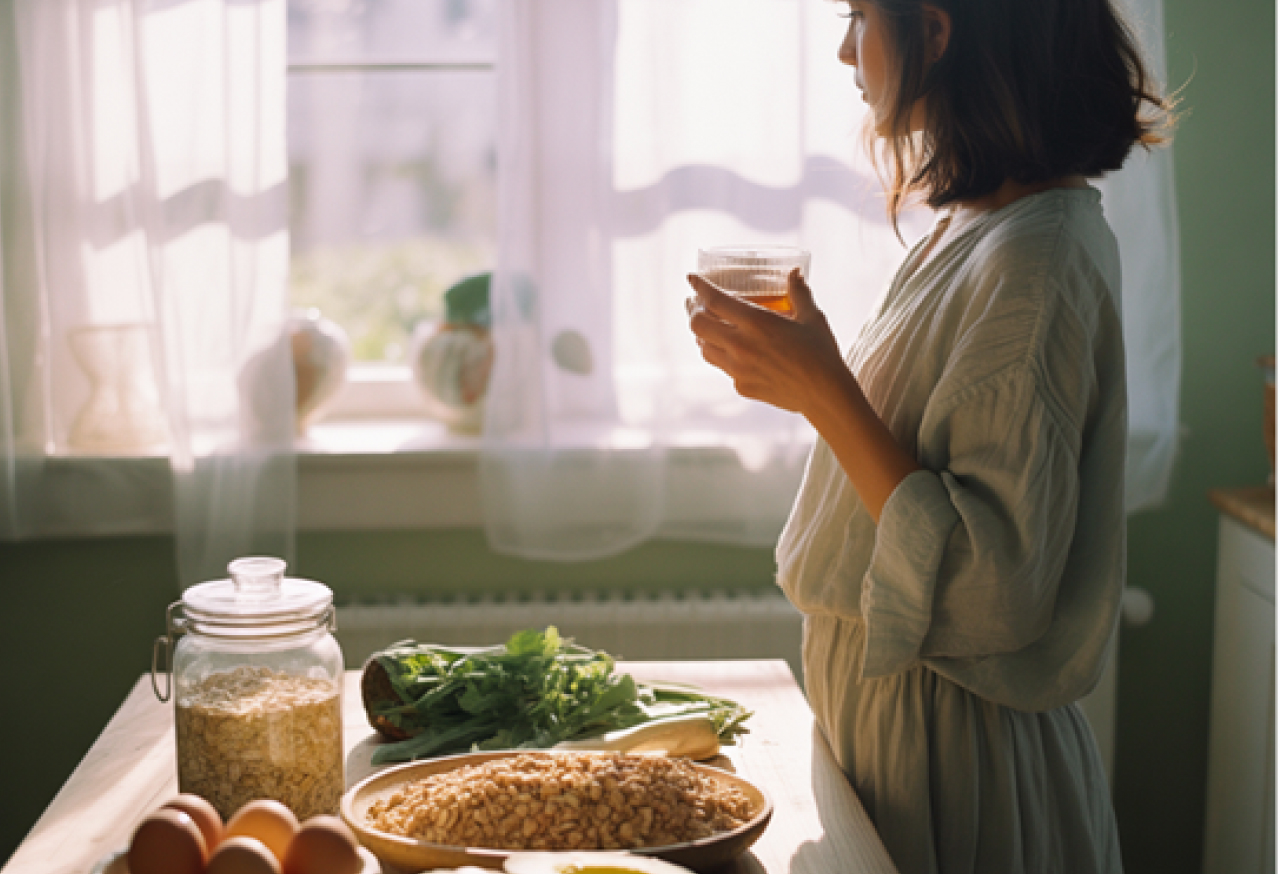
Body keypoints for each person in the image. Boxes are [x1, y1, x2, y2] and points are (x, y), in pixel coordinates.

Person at [686, 1, 1173, 872]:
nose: (846, 51)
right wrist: (809, 382)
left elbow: (994, 590)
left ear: (938, 32)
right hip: (904, 741)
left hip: (957, 764)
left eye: (859, 16)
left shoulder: (1034, 261)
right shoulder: (978, 229)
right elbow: (917, 468)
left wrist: (827, 392)